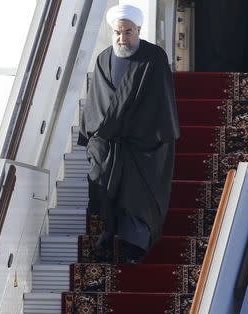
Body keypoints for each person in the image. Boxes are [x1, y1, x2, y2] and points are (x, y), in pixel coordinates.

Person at [77, 4, 180, 264]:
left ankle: (134, 244)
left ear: (139, 30)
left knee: (137, 195)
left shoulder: (153, 58)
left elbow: (159, 103)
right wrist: (97, 135)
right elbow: (97, 102)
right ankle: (109, 230)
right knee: (102, 177)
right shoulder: (103, 59)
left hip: (143, 142)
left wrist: (130, 129)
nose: (123, 38)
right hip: (110, 142)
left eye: (128, 32)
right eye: (118, 33)